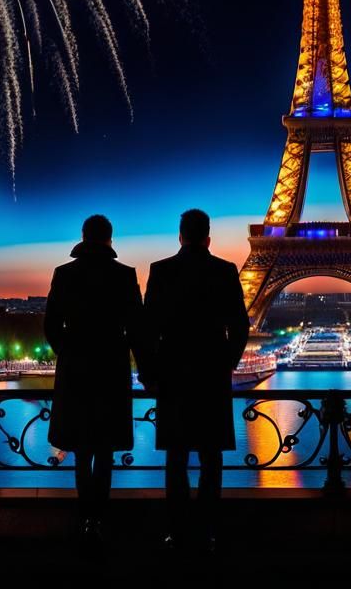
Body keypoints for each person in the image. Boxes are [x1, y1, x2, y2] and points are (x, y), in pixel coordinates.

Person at [142, 208, 250, 551]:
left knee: (175, 459)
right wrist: (226, 362)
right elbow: (241, 326)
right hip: (210, 377)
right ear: (208, 237)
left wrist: (151, 372)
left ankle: (175, 530)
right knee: (211, 458)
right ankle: (207, 530)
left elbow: (148, 330)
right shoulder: (225, 271)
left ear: (180, 236)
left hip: (173, 375)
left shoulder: (161, 271)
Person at [44, 214, 150, 543]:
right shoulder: (124, 275)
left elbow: (51, 326)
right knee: (104, 450)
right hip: (111, 370)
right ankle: (98, 518)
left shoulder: (64, 274)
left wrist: (70, 351)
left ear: (83, 236)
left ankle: (84, 516)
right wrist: (142, 368)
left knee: (80, 447)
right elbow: (137, 330)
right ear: (109, 239)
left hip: (76, 371)